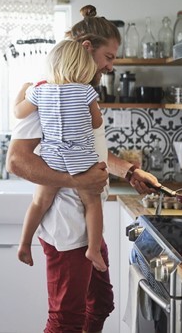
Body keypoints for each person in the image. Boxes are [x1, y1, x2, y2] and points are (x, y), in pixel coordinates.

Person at [6, 4, 159, 333]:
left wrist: (129, 171)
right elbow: (17, 161)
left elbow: (92, 152)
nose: (111, 65)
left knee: (101, 304)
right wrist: (78, 180)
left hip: (87, 222)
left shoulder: (80, 92)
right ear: (87, 48)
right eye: (109, 56)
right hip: (66, 226)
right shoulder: (46, 93)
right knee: (65, 320)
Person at [13, 39, 107, 272]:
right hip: (82, 160)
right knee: (92, 202)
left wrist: (22, 91)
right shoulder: (87, 91)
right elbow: (97, 122)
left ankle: (25, 243)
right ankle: (94, 249)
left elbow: (17, 112)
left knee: (39, 202)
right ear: (85, 67)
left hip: (52, 159)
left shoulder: (39, 92)